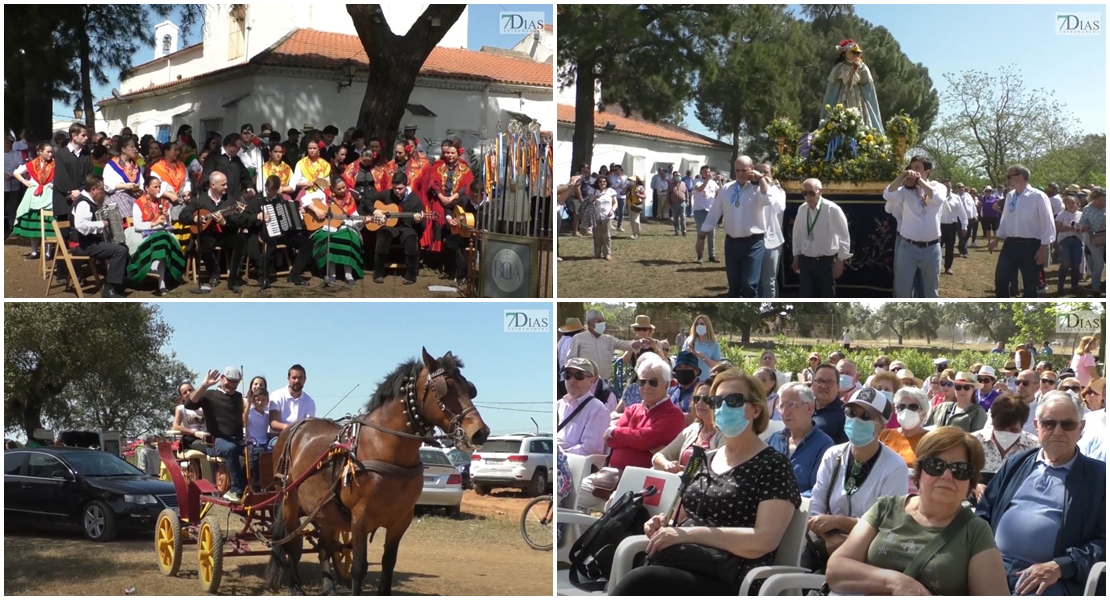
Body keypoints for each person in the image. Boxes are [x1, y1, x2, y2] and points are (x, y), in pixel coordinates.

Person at [609, 368, 801, 596]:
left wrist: (690, 534)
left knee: (642, 580)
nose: (722, 407)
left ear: (756, 409)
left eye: (733, 400)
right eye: (716, 401)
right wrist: (662, 523)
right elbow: (680, 515)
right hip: (686, 560)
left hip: (733, 575)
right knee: (634, 567)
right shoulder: (704, 459)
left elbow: (764, 540)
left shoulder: (774, 466)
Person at [826, 427, 1009, 596]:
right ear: (919, 473)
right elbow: (836, 569)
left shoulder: (975, 532)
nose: (946, 476)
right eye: (936, 465)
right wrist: (895, 581)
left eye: (960, 470)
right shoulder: (885, 508)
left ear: (971, 483)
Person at [976, 391, 1106, 595]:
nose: (1057, 431)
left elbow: (1104, 541)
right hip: (993, 564)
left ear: (1080, 428)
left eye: (1068, 424)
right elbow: (983, 513)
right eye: (1049, 423)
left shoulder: (1100, 478)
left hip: (1053, 578)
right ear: (1037, 426)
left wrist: (1061, 566)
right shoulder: (1016, 463)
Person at [807, 387, 909, 567]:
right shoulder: (833, 455)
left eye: (865, 416)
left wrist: (839, 522)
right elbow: (816, 507)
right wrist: (831, 536)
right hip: (824, 545)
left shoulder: (895, 467)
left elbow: (886, 526)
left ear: (882, 426)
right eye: (851, 412)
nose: (855, 420)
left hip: (868, 555)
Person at [700, 156, 771, 298]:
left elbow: (768, 199)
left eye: (744, 170)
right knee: (734, 286)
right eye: (737, 170)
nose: (740, 174)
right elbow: (714, 213)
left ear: (752, 169)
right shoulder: (727, 189)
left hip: (753, 243)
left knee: (749, 284)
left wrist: (761, 178)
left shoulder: (757, 189)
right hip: (732, 243)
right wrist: (701, 237)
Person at [884, 156, 945, 298]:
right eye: (911, 168)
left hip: (932, 249)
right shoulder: (905, 190)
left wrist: (919, 181)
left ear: (927, 172)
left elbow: (937, 198)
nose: (913, 171)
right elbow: (888, 195)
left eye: (917, 168)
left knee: (931, 291)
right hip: (907, 247)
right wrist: (901, 177)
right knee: (902, 290)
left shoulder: (938, 187)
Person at [989, 165, 1055, 298]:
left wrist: (1043, 248)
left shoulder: (1038, 196)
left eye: (1009, 176)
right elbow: (1005, 219)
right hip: (1010, 244)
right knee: (1001, 281)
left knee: (1030, 286)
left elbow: (1048, 223)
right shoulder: (1010, 196)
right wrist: (997, 238)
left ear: (1020, 178)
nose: (1007, 180)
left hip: (1031, 246)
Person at [180, 171, 249, 292]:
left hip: (225, 234)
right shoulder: (199, 199)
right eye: (223, 185)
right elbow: (183, 214)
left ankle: (233, 279)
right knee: (203, 245)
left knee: (241, 242)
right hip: (207, 234)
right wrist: (194, 218)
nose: (226, 187)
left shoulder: (230, 201)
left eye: (226, 184)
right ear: (213, 185)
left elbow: (237, 221)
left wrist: (224, 222)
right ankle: (215, 271)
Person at [186, 367, 247, 502]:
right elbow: (189, 404)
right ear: (222, 378)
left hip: (237, 440)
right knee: (230, 449)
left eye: (235, 382)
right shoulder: (209, 395)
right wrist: (204, 385)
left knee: (257, 450)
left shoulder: (238, 397)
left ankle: (254, 487)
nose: (232, 385)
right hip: (216, 441)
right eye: (229, 381)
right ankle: (236, 490)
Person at [243, 175, 314, 289]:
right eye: (268, 191)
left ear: (277, 190)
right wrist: (257, 216)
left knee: (307, 242)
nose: (270, 193)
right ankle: (263, 277)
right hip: (264, 231)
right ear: (265, 187)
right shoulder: (257, 200)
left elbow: (288, 216)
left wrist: (299, 213)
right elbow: (244, 217)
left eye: (272, 192)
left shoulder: (280, 199)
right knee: (270, 243)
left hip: (282, 233)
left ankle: (294, 275)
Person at [768, 382, 835, 496]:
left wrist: (785, 501)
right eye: (781, 406)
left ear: (809, 408)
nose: (784, 412)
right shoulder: (774, 439)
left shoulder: (824, 445)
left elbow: (818, 491)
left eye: (791, 404)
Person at [362, 172, 426, 285]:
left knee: (411, 237)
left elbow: (422, 226)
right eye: (395, 188)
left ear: (406, 186)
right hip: (390, 227)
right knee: (383, 234)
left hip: (407, 227)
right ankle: (378, 271)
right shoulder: (387, 194)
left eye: (400, 188)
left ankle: (411, 273)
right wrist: (375, 211)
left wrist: (418, 221)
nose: (397, 191)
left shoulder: (415, 200)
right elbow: (366, 200)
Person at [70, 175, 130, 297]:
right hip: (81, 245)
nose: (103, 193)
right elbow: (81, 226)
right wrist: (101, 224)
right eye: (101, 189)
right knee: (119, 251)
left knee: (122, 246)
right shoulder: (83, 204)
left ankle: (119, 283)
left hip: (87, 242)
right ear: (93, 190)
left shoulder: (89, 202)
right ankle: (109, 290)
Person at [124, 175, 186, 294]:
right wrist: (154, 223)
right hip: (144, 233)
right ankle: (161, 283)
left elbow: (168, 224)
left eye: (159, 186)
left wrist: (166, 219)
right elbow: (137, 225)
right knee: (161, 240)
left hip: (161, 232)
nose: (158, 189)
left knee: (163, 238)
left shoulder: (163, 202)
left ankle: (155, 268)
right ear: (147, 188)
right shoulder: (139, 202)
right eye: (155, 187)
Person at [790, 178, 851, 297]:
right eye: (804, 193)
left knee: (827, 295)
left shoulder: (831, 209)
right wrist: (796, 256)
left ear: (820, 192)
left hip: (825, 262)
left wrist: (840, 260)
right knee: (805, 295)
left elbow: (844, 235)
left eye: (811, 193)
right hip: (806, 260)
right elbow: (797, 234)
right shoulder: (802, 209)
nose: (808, 196)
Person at [971, 393, 1039, 496]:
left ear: (1023, 424)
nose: (1006, 433)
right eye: (1000, 428)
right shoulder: (973, 442)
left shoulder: (1034, 446)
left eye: (1013, 430)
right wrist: (975, 487)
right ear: (992, 420)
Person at [303, 176, 365, 287]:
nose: (342, 191)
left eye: (344, 187)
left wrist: (363, 221)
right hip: (327, 226)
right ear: (332, 188)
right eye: (339, 189)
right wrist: (316, 210)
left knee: (349, 238)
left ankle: (348, 274)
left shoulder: (349, 198)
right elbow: (305, 199)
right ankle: (331, 274)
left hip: (345, 226)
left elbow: (354, 217)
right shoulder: (324, 193)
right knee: (330, 239)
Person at [51, 124, 93, 283]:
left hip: (81, 200)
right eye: (83, 135)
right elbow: (61, 179)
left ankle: (77, 272)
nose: (86, 138)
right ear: (74, 136)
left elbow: (89, 177)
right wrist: (72, 192)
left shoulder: (86, 154)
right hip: (64, 201)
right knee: (64, 237)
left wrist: (81, 191)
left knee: (78, 237)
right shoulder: (61, 154)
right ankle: (61, 271)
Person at [653, 379, 723, 471]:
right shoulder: (693, 429)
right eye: (696, 399)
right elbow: (658, 456)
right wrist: (667, 465)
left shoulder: (724, 433)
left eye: (706, 399)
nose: (700, 403)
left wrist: (684, 471)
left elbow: (719, 468)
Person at [820, 39, 884, 133]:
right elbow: (836, 79)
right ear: (844, 53)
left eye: (854, 53)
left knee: (859, 113)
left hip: (856, 94)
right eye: (850, 53)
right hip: (842, 94)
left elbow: (866, 81)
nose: (852, 55)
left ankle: (860, 133)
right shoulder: (840, 67)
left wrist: (860, 70)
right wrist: (850, 72)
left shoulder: (861, 66)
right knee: (841, 113)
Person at [566, 309, 644, 384]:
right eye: (599, 321)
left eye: (603, 321)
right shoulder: (578, 338)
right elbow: (571, 359)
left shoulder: (609, 339)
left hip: (604, 382)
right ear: (590, 323)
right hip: (584, 382)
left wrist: (637, 343)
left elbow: (624, 344)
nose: (603, 324)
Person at [11, 141, 57, 260]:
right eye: (48, 152)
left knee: (47, 224)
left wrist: (54, 184)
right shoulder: (32, 164)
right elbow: (16, 172)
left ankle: (47, 252)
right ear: (40, 152)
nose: (50, 154)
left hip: (48, 195)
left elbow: (60, 177)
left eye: (51, 152)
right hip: (34, 195)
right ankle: (34, 251)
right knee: (34, 224)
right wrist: (25, 182)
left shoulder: (55, 164)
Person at [557, 357, 609, 456]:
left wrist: (560, 453)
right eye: (567, 375)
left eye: (578, 375)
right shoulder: (559, 405)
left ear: (592, 381)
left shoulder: (597, 409)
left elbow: (591, 450)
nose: (572, 380)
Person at [879, 387, 930, 469]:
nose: (906, 411)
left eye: (913, 407)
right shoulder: (884, 435)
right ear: (896, 410)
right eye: (901, 407)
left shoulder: (931, 440)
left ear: (923, 413)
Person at [202, 133, 257, 206]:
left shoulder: (236, 160)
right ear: (229, 146)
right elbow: (206, 179)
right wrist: (213, 198)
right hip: (217, 201)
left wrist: (250, 187)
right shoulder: (213, 157)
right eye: (238, 147)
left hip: (233, 200)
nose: (239, 149)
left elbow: (245, 176)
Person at [267, 364, 315, 447]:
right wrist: (288, 428)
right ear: (288, 379)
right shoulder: (277, 395)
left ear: (305, 380)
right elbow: (273, 423)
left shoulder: (309, 401)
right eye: (294, 378)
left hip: (300, 438)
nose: (297, 380)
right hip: (277, 437)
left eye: (300, 378)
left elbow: (309, 425)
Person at [102, 136, 145, 224]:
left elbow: (142, 182)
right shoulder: (111, 165)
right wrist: (126, 186)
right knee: (128, 213)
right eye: (132, 147)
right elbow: (107, 186)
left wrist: (139, 190)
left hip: (134, 196)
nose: (135, 149)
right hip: (117, 197)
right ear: (123, 149)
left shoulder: (135, 165)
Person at [244, 376, 272, 491]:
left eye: (263, 400)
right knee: (256, 456)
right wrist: (249, 404)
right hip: (252, 442)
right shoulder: (249, 412)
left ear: (267, 401)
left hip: (265, 442)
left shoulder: (267, 415)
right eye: (257, 400)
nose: (260, 402)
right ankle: (254, 483)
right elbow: (243, 420)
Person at [1076, 187, 1105, 295]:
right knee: (1099, 264)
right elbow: (1081, 224)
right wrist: (1084, 227)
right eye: (1100, 200)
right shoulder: (1087, 209)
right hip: (1094, 240)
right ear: (1094, 198)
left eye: (1104, 200)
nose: (1103, 202)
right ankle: (1096, 288)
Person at [810, 363, 848, 444]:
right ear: (812, 384)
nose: (823, 386)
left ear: (837, 387)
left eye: (829, 382)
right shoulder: (804, 408)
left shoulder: (846, 414)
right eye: (819, 381)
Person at [691, 165, 720, 264]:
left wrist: (719, 181)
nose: (707, 174)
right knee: (701, 233)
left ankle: (712, 255)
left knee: (712, 234)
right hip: (700, 210)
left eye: (708, 172)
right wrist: (707, 180)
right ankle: (700, 255)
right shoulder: (697, 181)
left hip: (711, 210)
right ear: (701, 172)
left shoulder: (713, 182)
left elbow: (720, 192)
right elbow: (699, 189)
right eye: (705, 172)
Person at [938, 180, 969, 275]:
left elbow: (962, 213)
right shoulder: (937, 197)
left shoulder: (956, 198)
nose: (947, 188)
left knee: (950, 247)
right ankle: (936, 267)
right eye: (945, 186)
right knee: (937, 247)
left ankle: (948, 267)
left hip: (951, 226)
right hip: (938, 226)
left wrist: (964, 225)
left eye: (949, 186)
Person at [172, 381, 208, 453]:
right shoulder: (181, 408)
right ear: (182, 397)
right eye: (185, 392)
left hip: (207, 437)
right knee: (211, 448)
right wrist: (194, 432)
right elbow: (176, 426)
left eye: (190, 390)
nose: (188, 393)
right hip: (192, 439)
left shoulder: (202, 407)